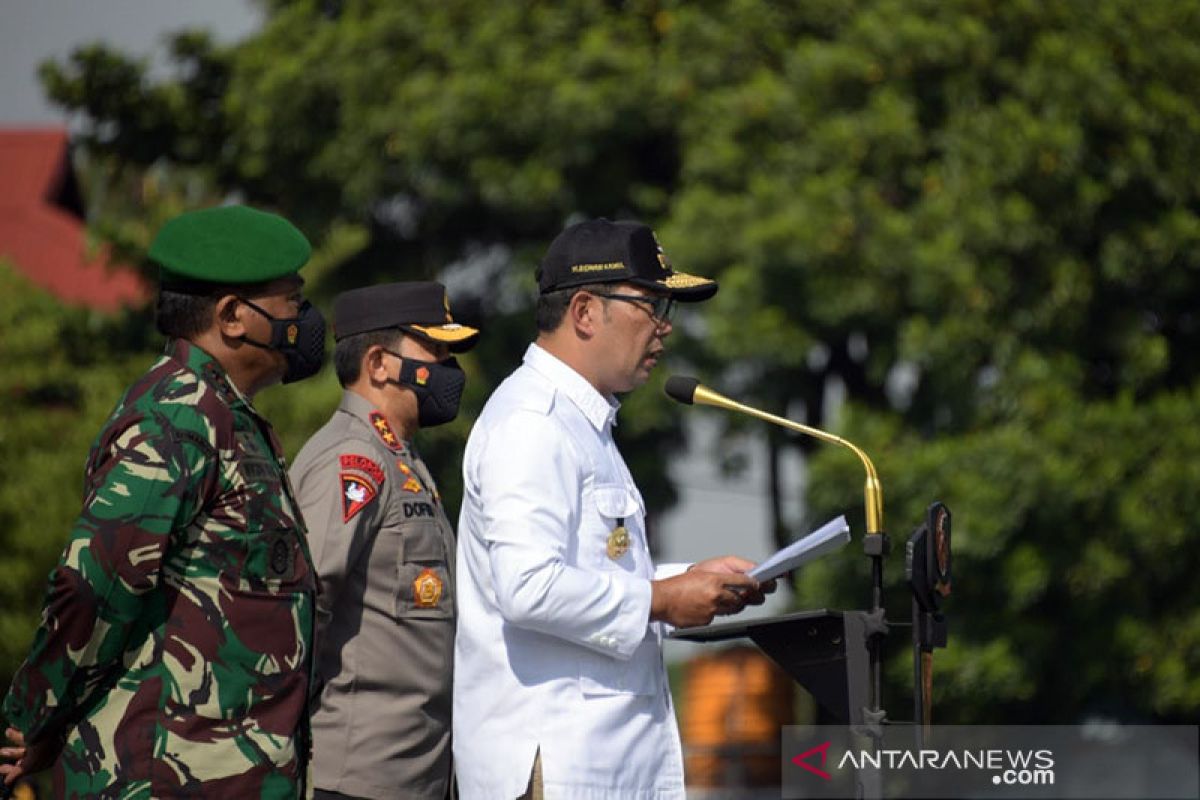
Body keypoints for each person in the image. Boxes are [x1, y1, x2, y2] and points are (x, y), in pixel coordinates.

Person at [0, 205, 326, 798]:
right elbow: (93, 584)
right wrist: (31, 718)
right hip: (159, 777)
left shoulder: (228, 417)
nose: (306, 320)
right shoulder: (177, 419)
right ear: (232, 317)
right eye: (291, 303)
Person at [453, 218, 772, 799]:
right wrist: (663, 599)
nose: (665, 329)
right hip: (558, 765)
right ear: (584, 312)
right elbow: (527, 587)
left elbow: (596, 576)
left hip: (599, 762)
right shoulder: (533, 422)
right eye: (651, 307)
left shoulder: (582, 423)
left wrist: (689, 580)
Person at [290, 282, 479, 800]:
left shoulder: (402, 460)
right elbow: (301, 612)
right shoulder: (351, 462)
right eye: (435, 352)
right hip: (356, 778)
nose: (449, 370)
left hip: (415, 776)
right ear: (378, 363)